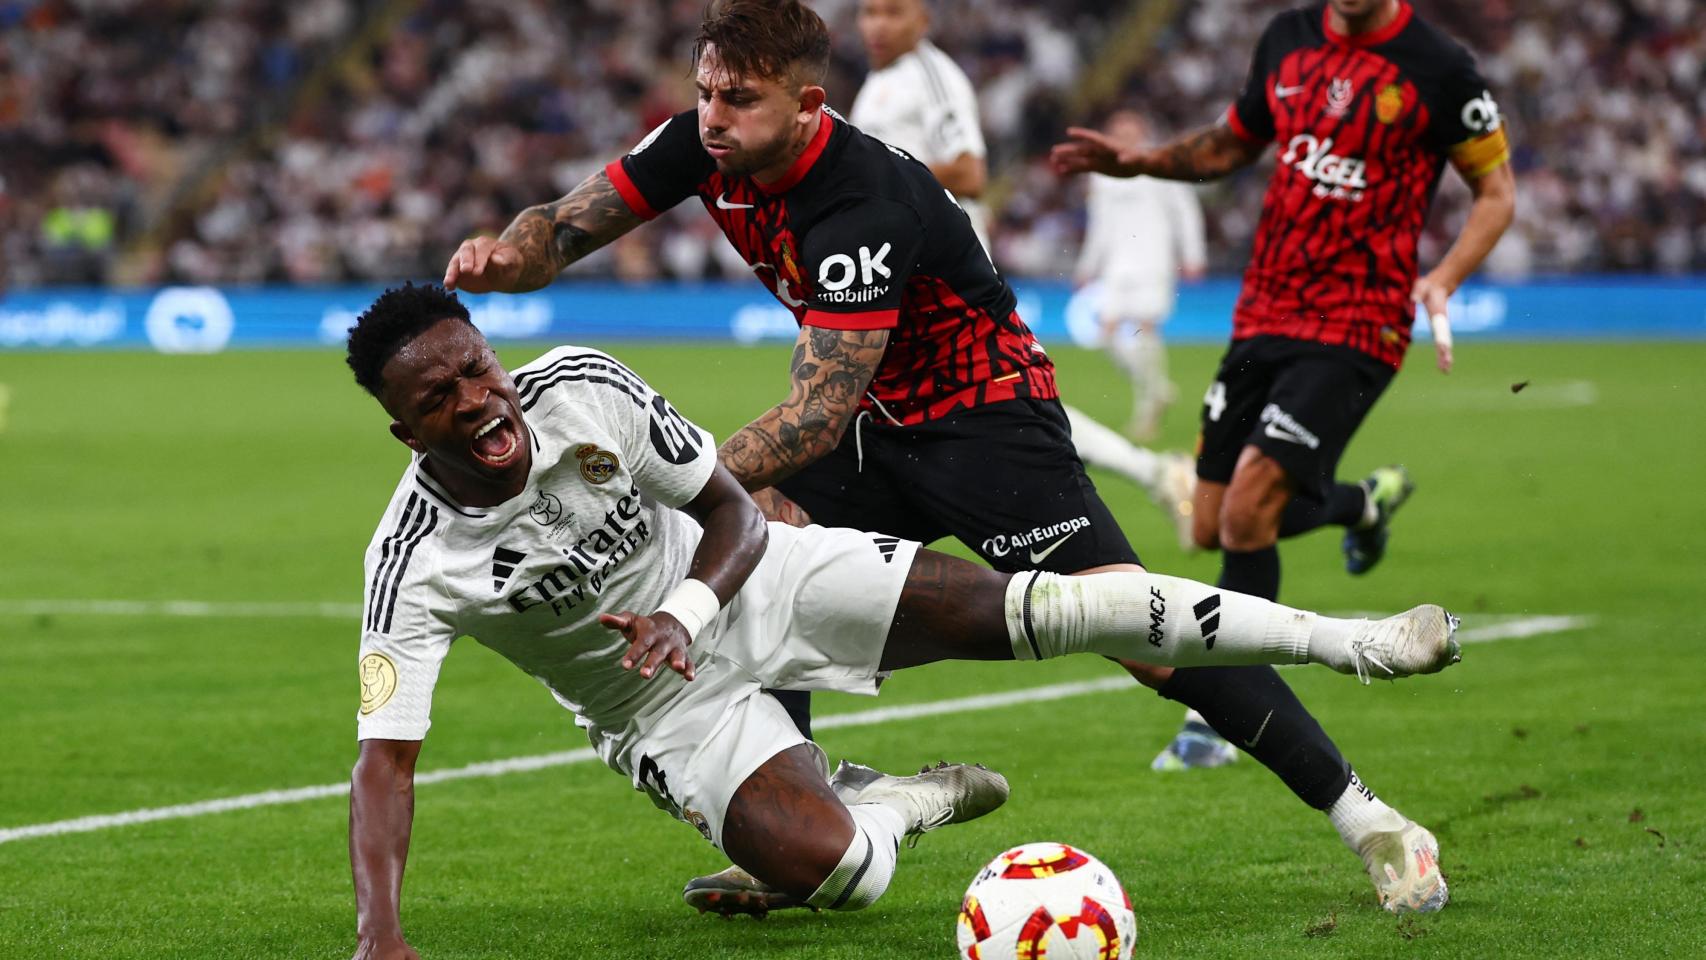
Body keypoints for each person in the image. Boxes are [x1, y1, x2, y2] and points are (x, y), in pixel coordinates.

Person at [443, 0, 1456, 918]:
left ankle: (1371, 820)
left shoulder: (862, 203)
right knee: (752, 555)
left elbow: (812, 416)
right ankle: (806, 818)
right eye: (705, 91)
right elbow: (564, 227)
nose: (712, 116)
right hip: (874, 422)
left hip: (985, 422)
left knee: (1142, 639)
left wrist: (673, 479)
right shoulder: (700, 144)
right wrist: (508, 256)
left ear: (807, 106)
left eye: (738, 100)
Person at [343, 283, 1462, 957]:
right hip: (659, 711)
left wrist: (684, 607)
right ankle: (897, 802)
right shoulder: (410, 563)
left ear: (493, 355)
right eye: (437, 399)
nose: (475, 403)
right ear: (405, 432)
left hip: (755, 579)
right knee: (842, 878)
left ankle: (1352, 642)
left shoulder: (583, 386)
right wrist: (379, 936)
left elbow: (731, 511)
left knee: (1051, 606)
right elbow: (384, 765)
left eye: (475, 370)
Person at [1052, 0, 1516, 595]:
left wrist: (1445, 277)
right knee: (1209, 523)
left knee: (1248, 510)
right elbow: (1231, 144)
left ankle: (1243, 659)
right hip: (1265, 309)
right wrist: (1143, 162)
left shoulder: (1440, 67)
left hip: (1357, 317)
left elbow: (1497, 192)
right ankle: (1363, 504)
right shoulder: (1288, 38)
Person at [848, 0, 1197, 547]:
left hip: (941, 277)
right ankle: (1152, 473)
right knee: (924, 403)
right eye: (869, 13)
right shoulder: (877, 86)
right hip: (900, 270)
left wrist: (872, 176)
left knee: (980, 403)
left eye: (893, 12)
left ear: (923, 20)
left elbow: (970, 171)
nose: (877, 25)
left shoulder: (933, 77)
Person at [1073, 109, 1207, 444]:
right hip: (1117, 264)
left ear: (1142, 132)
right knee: (1106, 334)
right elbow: (1099, 224)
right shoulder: (1102, 173)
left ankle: (1147, 414)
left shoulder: (1159, 162)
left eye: (1129, 131)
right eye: (1118, 131)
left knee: (1146, 329)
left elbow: (1185, 211)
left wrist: (1193, 254)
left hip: (1154, 259)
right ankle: (1158, 389)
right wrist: (1087, 265)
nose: (1124, 137)